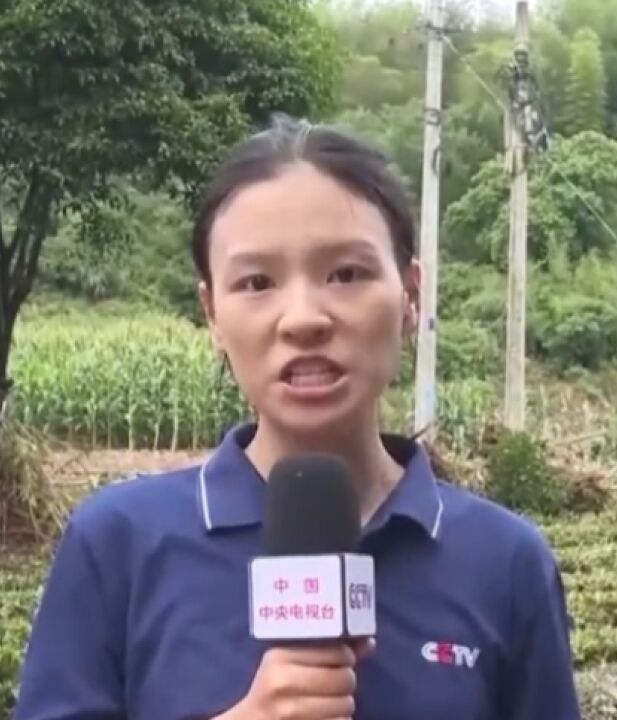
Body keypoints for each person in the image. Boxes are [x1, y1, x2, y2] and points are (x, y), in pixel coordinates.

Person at [14, 115, 582, 720]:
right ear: (212, 314)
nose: (303, 318)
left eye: (346, 274)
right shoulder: (118, 544)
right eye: (257, 282)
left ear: (412, 297)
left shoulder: (506, 562)